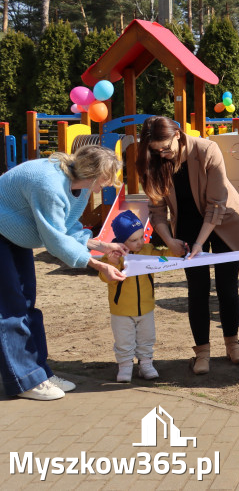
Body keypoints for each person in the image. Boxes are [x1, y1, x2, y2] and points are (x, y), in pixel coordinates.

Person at [0, 146, 127, 401]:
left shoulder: (77, 187)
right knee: (10, 309)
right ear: (93, 174)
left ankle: (39, 373)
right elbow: (55, 239)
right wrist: (98, 265)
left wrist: (102, 245)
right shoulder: (49, 184)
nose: (110, 183)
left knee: (27, 303)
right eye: (107, 177)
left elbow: (67, 227)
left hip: (14, 234)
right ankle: (25, 381)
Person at [137, 116, 239, 375]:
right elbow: (157, 211)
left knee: (227, 286)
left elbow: (216, 203)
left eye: (165, 148)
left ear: (177, 135)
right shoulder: (152, 161)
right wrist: (169, 241)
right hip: (186, 227)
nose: (163, 155)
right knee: (197, 289)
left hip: (223, 223)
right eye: (156, 150)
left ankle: (233, 344)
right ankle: (202, 352)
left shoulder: (206, 149)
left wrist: (201, 242)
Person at [98, 211, 161, 383]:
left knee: (147, 338)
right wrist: (111, 263)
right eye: (133, 240)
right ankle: (125, 367)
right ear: (121, 241)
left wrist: (179, 252)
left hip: (146, 308)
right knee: (124, 340)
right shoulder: (113, 256)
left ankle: (146, 365)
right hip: (121, 310)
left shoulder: (149, 250)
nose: (140, 242)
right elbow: (105, 277)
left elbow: (167, 256)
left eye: (142, 237)